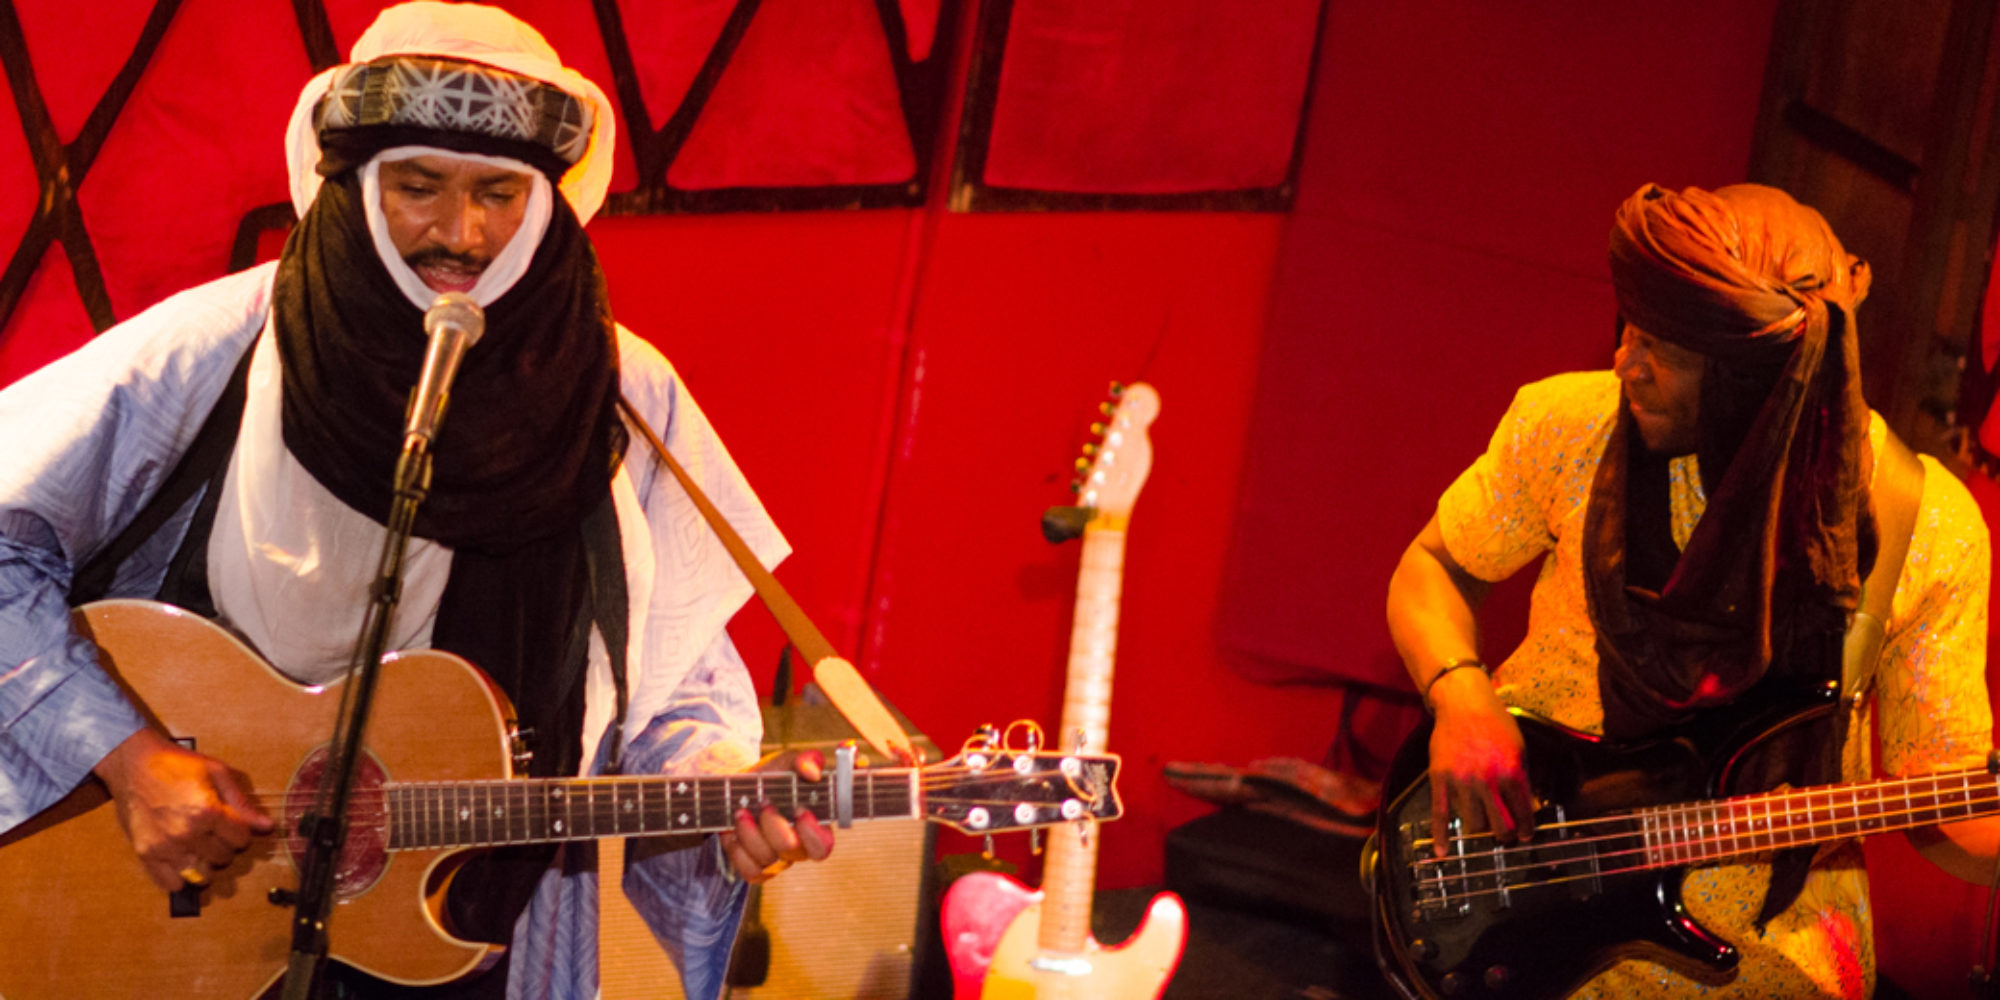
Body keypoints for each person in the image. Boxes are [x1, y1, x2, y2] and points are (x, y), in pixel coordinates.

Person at [0, 4, 831, 998]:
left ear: (546, 203)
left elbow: (671, 685)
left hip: (476, 939)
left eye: (498, 194)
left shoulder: (619, 396)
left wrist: (725, 796)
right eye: (418, 187)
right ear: (355, 185)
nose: (459, 233)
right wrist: (128, 758)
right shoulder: (223, 347)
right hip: (191, 922)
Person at [1385, 182, 2000, 998]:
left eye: (1663, 350)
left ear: (1760, 380)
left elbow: (1949, 808)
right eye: (1630, 330)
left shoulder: (1923, 526)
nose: (1624, 363)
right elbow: (1433, 568)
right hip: (1524, 902)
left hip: (1772, 956)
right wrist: (1460, 695)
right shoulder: (1569, 425)